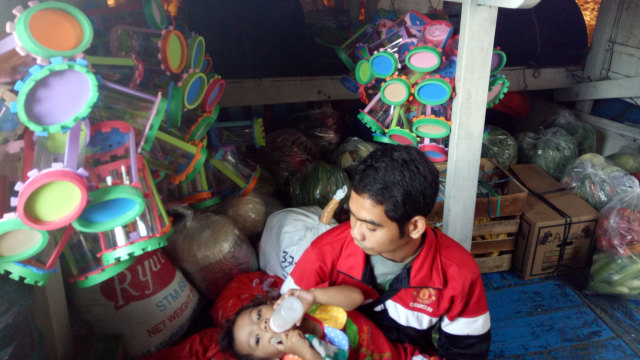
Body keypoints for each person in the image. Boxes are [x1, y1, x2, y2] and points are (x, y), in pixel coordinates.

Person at [280, 144, 492, 360]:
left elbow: (466, 354)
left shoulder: (458, 273)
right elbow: (283, 323)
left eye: (371, 227)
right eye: (352, 215)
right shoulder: (324, 250)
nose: (355, 233)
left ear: (415, 227)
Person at [219, 286, 439, 360]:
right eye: (257, 339)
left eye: (258, 316)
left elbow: (356, 297)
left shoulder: (310, 306)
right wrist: (305, 352)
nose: (263, 326)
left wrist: (315, 295)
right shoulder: (295, 357)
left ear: (270, 303)